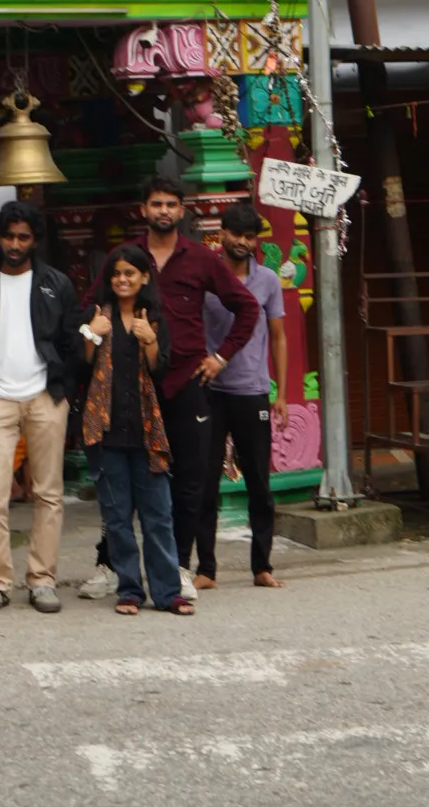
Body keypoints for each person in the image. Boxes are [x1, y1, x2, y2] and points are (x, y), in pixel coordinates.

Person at [83, 176, 258, 602]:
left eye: (171, 204)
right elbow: (88, 306)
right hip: (130, 388)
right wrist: (94, 336)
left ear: (182, 211)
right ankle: (110, 566)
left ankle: (178, 568)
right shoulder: (125, 259)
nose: (163, 210)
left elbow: (247, 307)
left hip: (185, 385)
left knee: (189, 481)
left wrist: (220, 357)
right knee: (118, 481)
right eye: (156, 203)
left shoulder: (201, 259)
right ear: (144, 209)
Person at [0, 200, 80, 615]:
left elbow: (69, 341)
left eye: (22, 237)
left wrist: (61, 390)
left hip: (44, 395)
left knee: (48, 494)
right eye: (8, 235)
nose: (13, 244)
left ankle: (42, 579)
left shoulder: (56, 284)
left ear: (34, 241)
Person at [81, 246, 192, 616]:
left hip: (147, 433)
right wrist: (91, 334)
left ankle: (167, 592)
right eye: (116, 274)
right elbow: (81, 363)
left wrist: (149, 339)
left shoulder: (154, 318)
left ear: (144, 277)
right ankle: (129, 590)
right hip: (108, 433)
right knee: (117, 518)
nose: (122, 279)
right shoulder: (98, 316)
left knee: (158, 515)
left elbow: (160, 370)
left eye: (130, 273)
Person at [195, 202, 288, 590]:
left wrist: (279, 392)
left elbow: (279, 336)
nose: (243, 243)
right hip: (209, 392)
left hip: (253, 392)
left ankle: (262, 567)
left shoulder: (267, 280)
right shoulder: (203, 277)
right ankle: (206, 569)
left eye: (250, 237)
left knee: (259, 484)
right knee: (204, 483)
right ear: (223, 234)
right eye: (237, 235)